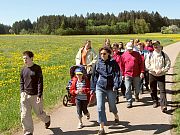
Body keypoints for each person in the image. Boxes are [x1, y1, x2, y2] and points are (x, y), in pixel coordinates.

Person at [91, 46, 120, 135]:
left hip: (111, 87)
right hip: (100, 87)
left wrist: (116, 85)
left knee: (112, 105)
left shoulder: (113, 63)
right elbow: (94, 76)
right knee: (100, 107)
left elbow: (117, 75)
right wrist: (93, 88)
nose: (102, 55)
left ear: (108, 54)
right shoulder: (98, 63)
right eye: (101, 54)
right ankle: (101, 128)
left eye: (104, 54)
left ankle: (115, 115)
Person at [20, 51, 50, 135]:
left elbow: (40, 82)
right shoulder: (23, 69)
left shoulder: (37, 68)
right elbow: (21, 81)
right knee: (25, 115)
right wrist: (22, 92)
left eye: (26, 58)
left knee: (39, 114)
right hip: (25, 95)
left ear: (31, 58)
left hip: (36, 95)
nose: (25, 60)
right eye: (23, 58)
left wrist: (39, 95)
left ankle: (47, 119)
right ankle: (28, 132)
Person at [145, 41, 171, 113]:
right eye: (154, 45)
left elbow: (168, 64)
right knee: (153, 89)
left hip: (161, 75)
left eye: (157, 45)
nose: (155, 46)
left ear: (160, 46)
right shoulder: (149, 55)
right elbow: (147, 65)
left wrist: (162, 70)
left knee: (162, 90)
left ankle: (163, 106)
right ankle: (155, 101)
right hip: (152, 74)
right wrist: (154, 70)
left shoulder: (164, 55)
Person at [121, 42, 144, 108]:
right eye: (128, 49)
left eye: (131, 49)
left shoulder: (137, 54)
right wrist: (122, 74)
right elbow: (122, 66)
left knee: (137, 88)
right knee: (128, 88)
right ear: (126, 48)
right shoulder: (123, 55)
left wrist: (142, 72)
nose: (130, 50)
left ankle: (136, 95)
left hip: (136, 74)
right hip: (127, 74)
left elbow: (141, 64)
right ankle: (129, 101)